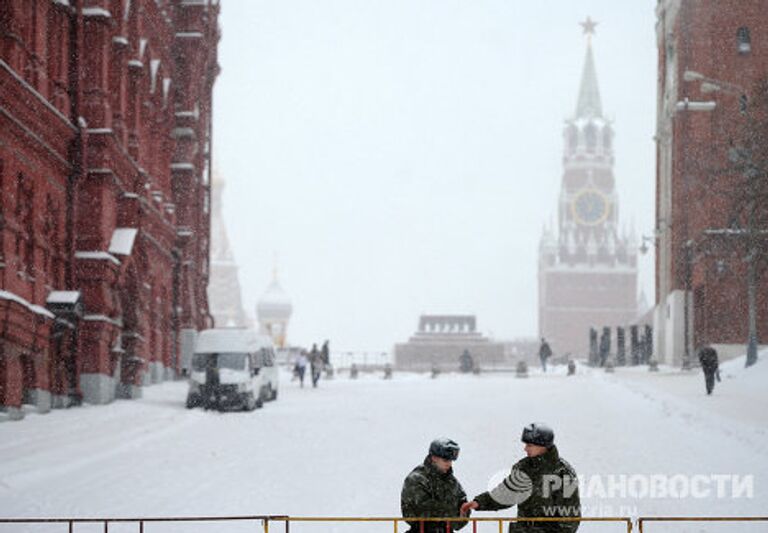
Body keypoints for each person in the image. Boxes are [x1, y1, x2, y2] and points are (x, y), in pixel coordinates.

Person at [461, 423, 580, 533]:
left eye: (529, 445)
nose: (525, 449)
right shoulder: (524, 468)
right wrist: (479, 502)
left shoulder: (563, 472)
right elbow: (506, 494)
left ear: (543, 446)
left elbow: (570, 518)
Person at [401, 438, 469, 533]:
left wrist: (462, 512)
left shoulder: (452, 482)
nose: (449, 464)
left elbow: (462, 513)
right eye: (445, 460)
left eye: (451, 460)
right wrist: (453, 512)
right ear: (434, 458)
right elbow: (425, 511)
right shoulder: (417, 479)